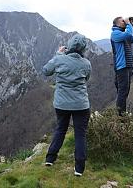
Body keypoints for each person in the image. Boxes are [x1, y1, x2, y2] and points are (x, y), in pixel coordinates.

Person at [42, 34, 92, 177]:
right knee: (80, 134)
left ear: (69, 46)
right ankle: (79, 169)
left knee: (60, 129)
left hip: (61, 103)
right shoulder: (86, 63)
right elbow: (87, 78)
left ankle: (50, 158)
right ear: (83, 48)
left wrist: (58, 54)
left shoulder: (59, 59)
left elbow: (46, 71)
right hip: (81, 105)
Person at [110, 16, 133, 115]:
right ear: (117, 24)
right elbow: (128, 34)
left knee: (125, 91)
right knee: (122, 91)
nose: (125, 22)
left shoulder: (123, 35)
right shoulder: (115, 34)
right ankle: (120, 116)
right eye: (123, 21)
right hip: (121, 66)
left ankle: (122, 113)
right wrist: (128, 24)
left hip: (128, 66)